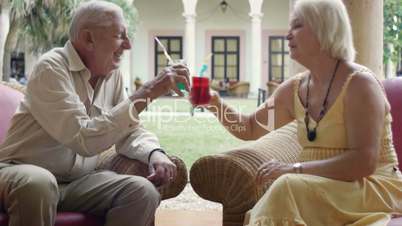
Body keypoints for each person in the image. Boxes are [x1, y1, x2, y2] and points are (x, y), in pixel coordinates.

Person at [205, 0, 402, 225]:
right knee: (289, 188)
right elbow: (249, 128)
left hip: (371, 186)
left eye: (297, 26)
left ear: (324, 28)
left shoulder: (359, 85)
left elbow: (363, 163)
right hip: (318, 187)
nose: (287, 36)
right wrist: (215, 103)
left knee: (287, 186)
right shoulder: (293, 90)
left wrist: (294, 169)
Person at [0, 1, 189, 226]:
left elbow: (127, 129)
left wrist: (154, 153)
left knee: (142, 192)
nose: (128, 45)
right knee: (39, 183)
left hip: (78, 183)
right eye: (120, 36)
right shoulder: (51, 68)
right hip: (19, 172)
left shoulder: (112, 75)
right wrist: (147, 92)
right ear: (88, 38)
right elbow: (82, 138)